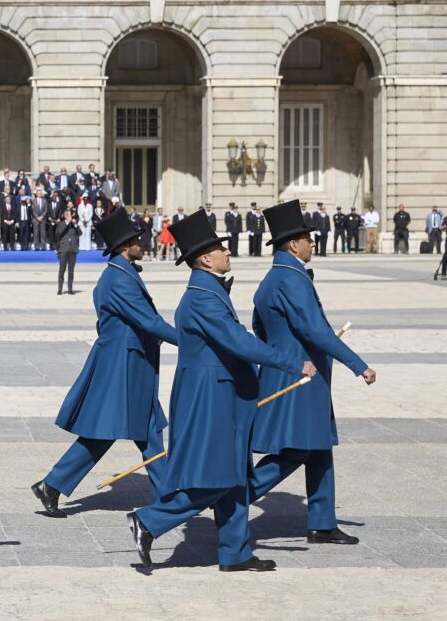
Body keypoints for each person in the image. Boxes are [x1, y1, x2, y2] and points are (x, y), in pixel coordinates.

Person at [127, 210, 316, 572]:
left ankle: (235, 552)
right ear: (204, 258)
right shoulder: (203, 298)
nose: (228, 252)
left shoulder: (208, 290)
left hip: (225, 393)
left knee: (235, 477)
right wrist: (290, 362)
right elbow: (238, 342)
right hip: (211, 396)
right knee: (219, 475)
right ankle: (150, 520)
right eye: (220, 248)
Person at [33, 208, 177, 517]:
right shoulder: (118, 278)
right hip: (122, 366)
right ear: (125, 246)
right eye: (137, 239)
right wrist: (191, 341)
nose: (142, 242)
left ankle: (168, 495)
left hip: (132, 364)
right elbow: (149, 321)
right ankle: (52, 484)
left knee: (148, 429)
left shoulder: (121, 273)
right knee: (109, 430)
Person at [249, 200, 377, 544]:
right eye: (308, 237)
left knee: (319, 446)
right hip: (299, 377)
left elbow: (259, 326)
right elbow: (314, 330)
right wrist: (358, 364)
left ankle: (322, 521)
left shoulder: (274, 277)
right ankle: (236, 497)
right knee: (296, 450)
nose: (313, 242)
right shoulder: (291, 279)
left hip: (293, 371)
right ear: (293, 244)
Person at [54, 207, 80, 295]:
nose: (71, 217)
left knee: (71, 270)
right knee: (62, 269)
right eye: (69, 215)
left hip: (73, 249)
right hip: (63, 249)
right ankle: (60, 289)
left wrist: (75, 225)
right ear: (65, 216)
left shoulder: (73, 225)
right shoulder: (61, 224)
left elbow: (80, 233)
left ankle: (70, 289)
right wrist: (67, 223)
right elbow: (59, 233)